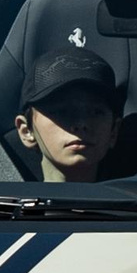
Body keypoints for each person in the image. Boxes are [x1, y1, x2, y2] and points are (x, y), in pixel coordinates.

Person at [14, 51, 126, 183]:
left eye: (96, 112)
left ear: (113, 132)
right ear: (26, 130)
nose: (80, 123)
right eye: (61, 112)